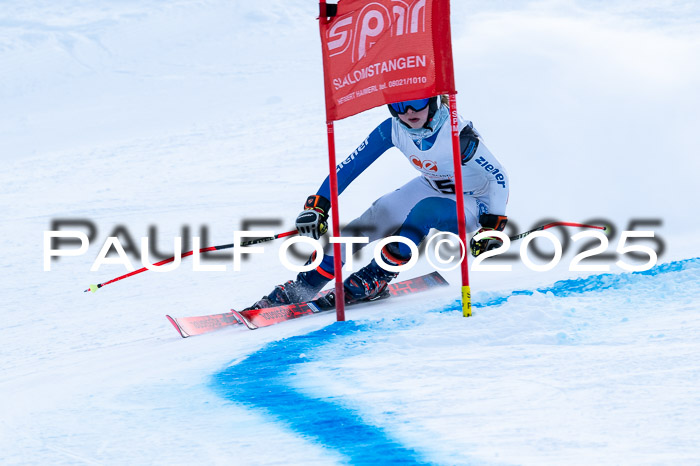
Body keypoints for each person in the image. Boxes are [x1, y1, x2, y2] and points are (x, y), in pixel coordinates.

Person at [246, 95, 509, 309]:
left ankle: (378, 276)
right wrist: (318, 205)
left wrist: (493, 224)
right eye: (397, 105)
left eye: (416, 102)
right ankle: (306, 284)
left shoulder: (456, 133)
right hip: (432, 185)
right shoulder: (392, 129)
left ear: (433, 101)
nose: (407, 111)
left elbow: (499, 176)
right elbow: (349, 168)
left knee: (424, 211)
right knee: (373, 217)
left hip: (474, 201)